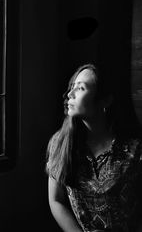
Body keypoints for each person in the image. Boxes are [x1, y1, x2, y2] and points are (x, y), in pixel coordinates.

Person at [46, 63, 142, 232]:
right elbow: (56, 200)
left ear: (105, 100)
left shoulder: (134, 151)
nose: (70, 94)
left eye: (81, 88)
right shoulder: (60, 143)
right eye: (72, 87)